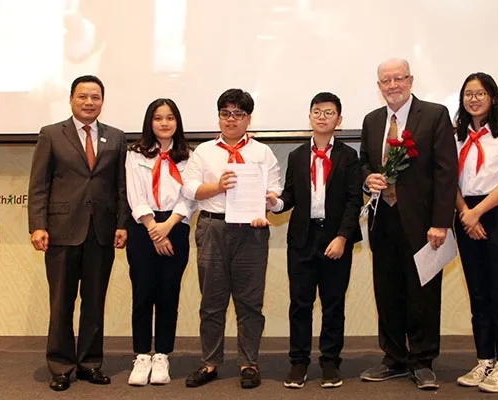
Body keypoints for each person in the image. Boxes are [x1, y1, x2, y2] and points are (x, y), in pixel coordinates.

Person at [359, 58, 458, 389]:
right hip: (382, 220)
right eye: (385, 80)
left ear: (410, 80)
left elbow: (446, 172)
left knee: (423, 293)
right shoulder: (372, 121)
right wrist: (367, 179)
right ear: (379, 86)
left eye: (398, 78)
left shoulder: (434, 115)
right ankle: (394, 358)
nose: (392, 85)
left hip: (422, 223)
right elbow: (363, 164)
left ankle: (423, 360)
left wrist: (441, 222)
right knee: (387, 292)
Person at [27, 75, 129, 391]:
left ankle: (89, 364)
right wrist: (38, 225)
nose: (89, 102)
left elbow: (121, 187)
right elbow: (39, 185)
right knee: (61, 302)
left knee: (94, 301)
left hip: (101, 231)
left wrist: (122, 224)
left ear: (102, 101)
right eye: (83, 96)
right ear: (71, 98)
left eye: (95, 97)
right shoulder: (51, 135)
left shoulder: (116, 137)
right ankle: (60, 365)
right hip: (60, 231)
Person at [181, 88, 282, 389]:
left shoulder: (262, 152)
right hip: (213, 229)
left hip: (251, 231)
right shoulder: (203, 151)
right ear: (219, 117)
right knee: (212, 302)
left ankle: (248, 363)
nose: (231, 119)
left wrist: (269, 202)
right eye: (225, 113)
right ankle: (210, 362)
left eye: (238, 114)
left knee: (250, 303)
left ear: (248, 119)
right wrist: (217, 187)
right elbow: (189, 190)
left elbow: (276, 196)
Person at [267, 92, 363, 389]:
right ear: (309, 116)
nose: (322, 117)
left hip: (335, 239)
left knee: (333, 303)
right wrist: (276, 204)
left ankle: (331, 363)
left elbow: (353, 201)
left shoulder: (348, 156)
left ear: (339, 119)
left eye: (329, 112)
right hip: (302, 239)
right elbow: (290, 196)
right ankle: (298, 363)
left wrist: (342, 237)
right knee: (300, 303)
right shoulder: (297, 156)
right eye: (317, 112)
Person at [454, 72, 498, 393]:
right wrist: (465, 213)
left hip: (495, 213)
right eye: (468, 94)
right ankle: (484, 359)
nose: (473, 99)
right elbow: (448, 180)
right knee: (478, 292)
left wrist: (477, 213)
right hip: (464, 212)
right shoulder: (455, 136)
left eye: (480, 93)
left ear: (493, 97)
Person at [125, 98, 195, 386]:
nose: (164, 123)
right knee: (143, 293)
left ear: (177, 122)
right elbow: (134, 194)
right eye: (158, 118)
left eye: (169, 118)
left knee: (169, 293)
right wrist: (154, 228)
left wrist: (167, 227)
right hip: (144, 227)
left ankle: (162, 354)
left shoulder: (189, 156)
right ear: (149, 122)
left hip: (175, 226)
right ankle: (142, 355)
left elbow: (189, 196)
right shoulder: (135, 154)